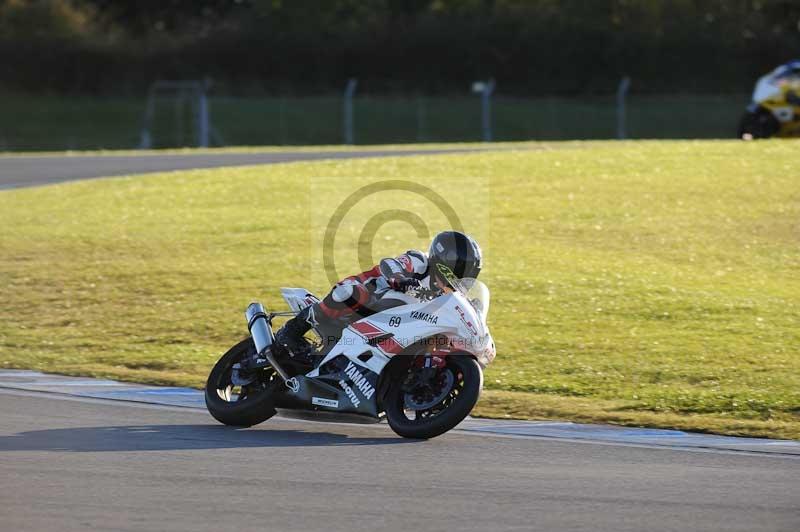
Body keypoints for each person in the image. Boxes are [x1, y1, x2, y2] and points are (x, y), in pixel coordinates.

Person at [271, 230, 483, 362]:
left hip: (399, 328)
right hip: (371, 297)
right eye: (460, 270)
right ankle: (291, 331)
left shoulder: (450, 296)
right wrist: (399, 278)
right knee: (348, 294)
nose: (462, 278)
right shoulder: (420, 261)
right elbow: (389, 264)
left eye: (468, 274)